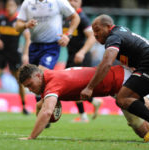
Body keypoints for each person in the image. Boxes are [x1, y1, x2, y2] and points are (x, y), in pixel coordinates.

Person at [18, 64, 149, 140]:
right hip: (116, 83)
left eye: (30, 85)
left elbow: (47, 112)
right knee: (143, 132)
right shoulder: (48, 77)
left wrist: (31, 137)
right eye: (27, 87)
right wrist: (38, 106)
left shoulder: (53, 83)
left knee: (144, 130)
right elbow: (43, 105)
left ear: (38, 76)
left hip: (120, 81)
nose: (30, 90)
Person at [79, 14, 149, 142]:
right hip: (143, 65)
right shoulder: (121, 30)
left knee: (123, 98)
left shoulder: (113, 37)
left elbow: (106, 63)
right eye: (94, 31)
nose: (95, 35)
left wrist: (90, 87)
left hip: (147, 65)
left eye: (98, 30)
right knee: (134, 99)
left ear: (108, 27)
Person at [15, 0, 80, 71]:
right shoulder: (27, 2)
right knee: (34, 77)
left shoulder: (58, 1)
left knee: (41, 73)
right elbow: (17, 27)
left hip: (52, 46)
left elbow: (76, 17)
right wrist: (26, 25)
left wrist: (68, 35)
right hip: (34, 45)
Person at [63, 0, 98, 122]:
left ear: (81, 3)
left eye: (76, 0)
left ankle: (86, 112)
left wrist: (82, 52)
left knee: (73, 86)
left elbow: (92, 36)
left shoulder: (82, 18)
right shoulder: (66, 17)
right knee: (72, 86)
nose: (73, 2)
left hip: (80, 56)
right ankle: (91, 105)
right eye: (70, 0)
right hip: (71, 55)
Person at [0, 0, 30, 114]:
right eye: (7, 6)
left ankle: (24, 106)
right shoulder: (1, 19)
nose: (9, 8)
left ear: (16, 7)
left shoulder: (19, 22)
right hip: (1, 53)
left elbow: (28, 38)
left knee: (19, 81)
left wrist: (26, 54)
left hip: (14, 54)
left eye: (11, 6)